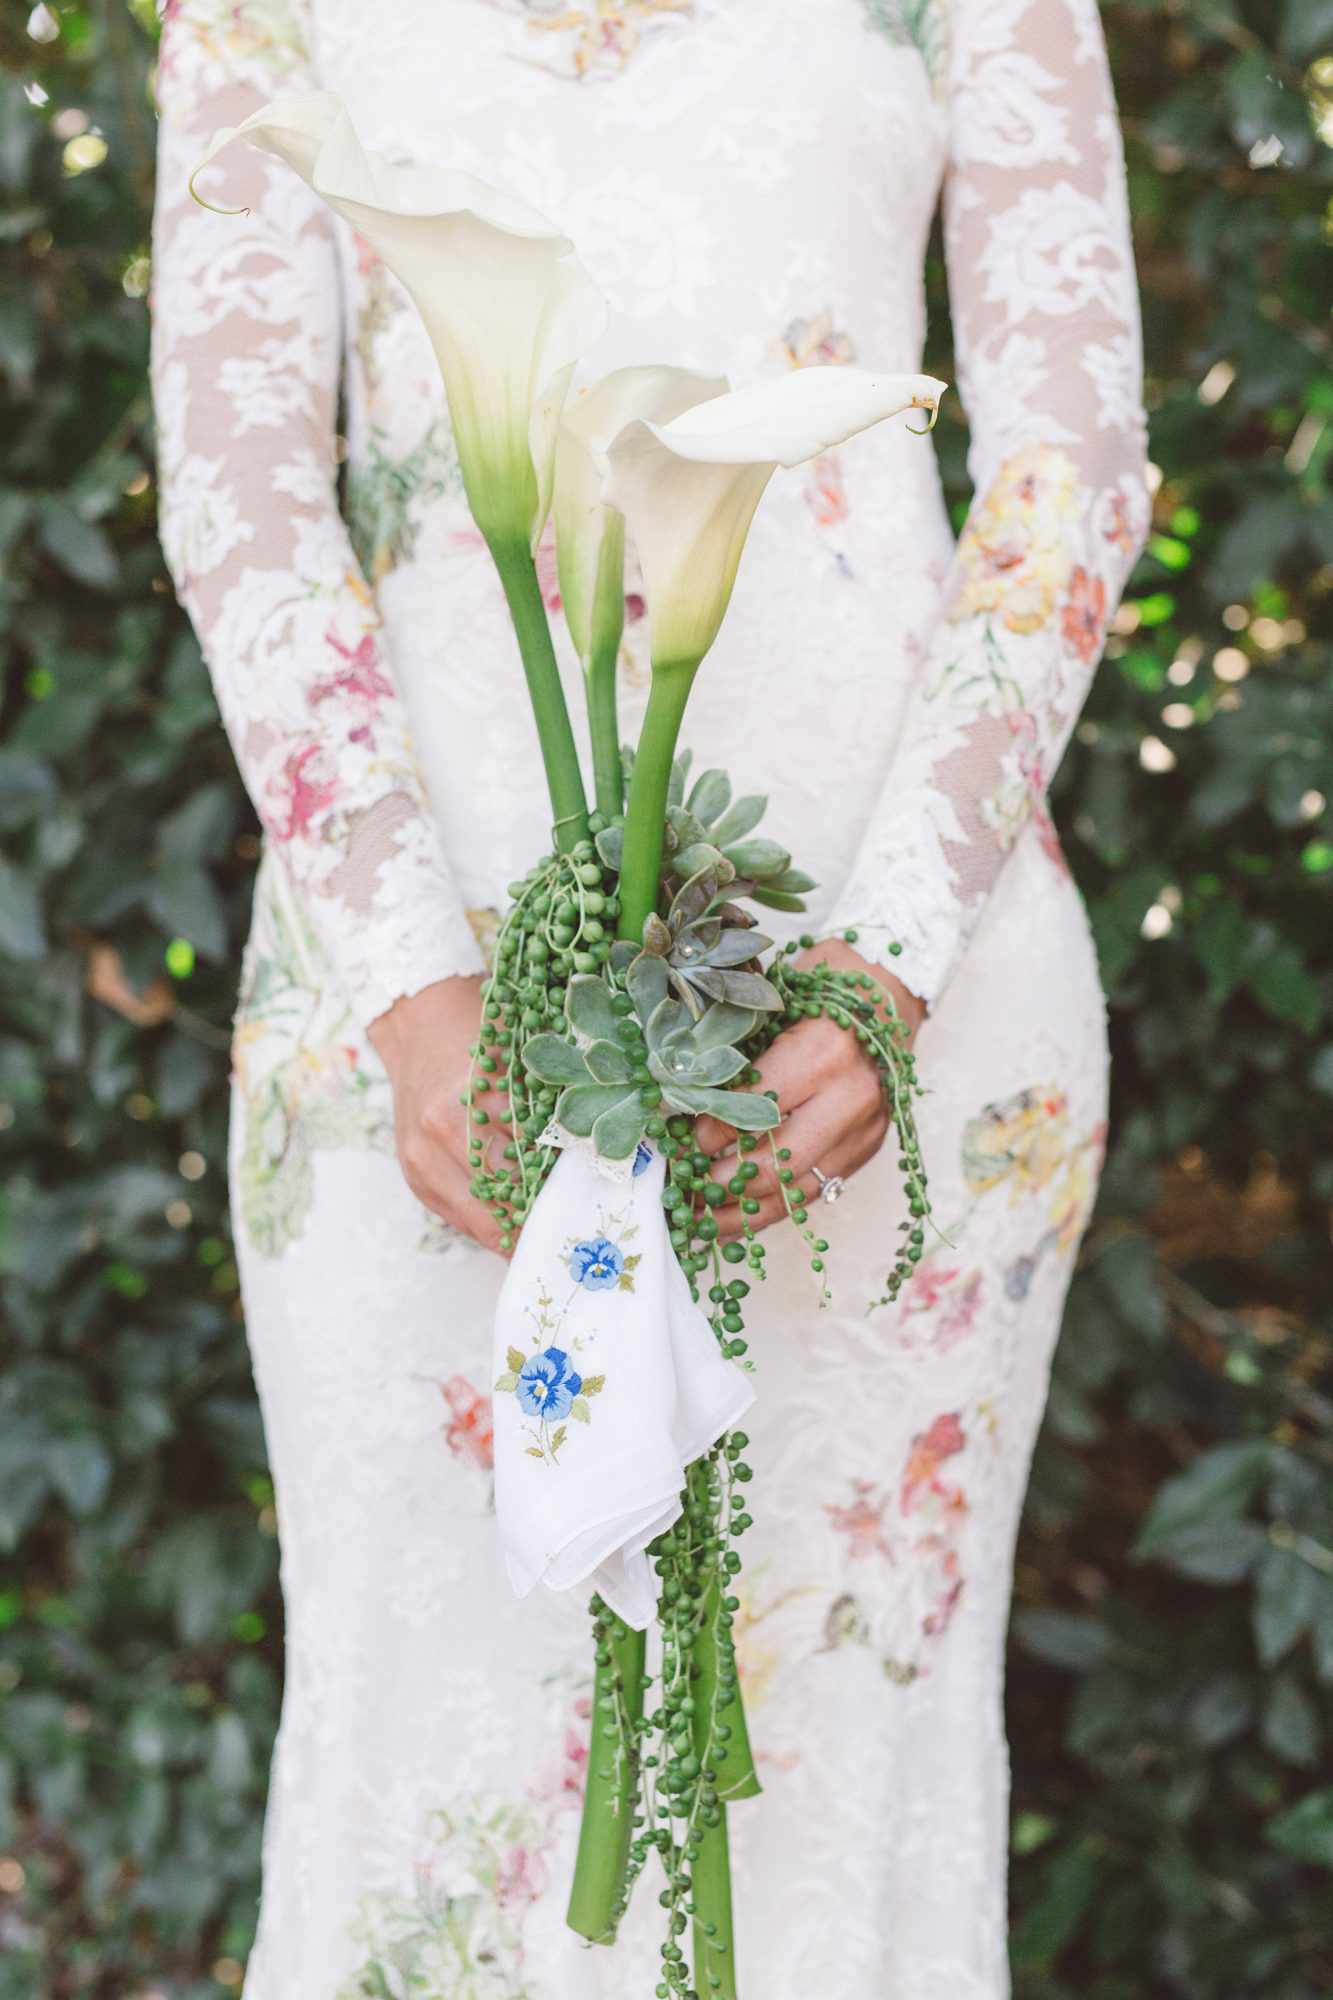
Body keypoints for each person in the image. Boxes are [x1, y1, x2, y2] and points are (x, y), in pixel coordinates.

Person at [151, 1, 1148, 1992]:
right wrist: (414, 986)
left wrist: (886, 960)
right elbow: (239, 479)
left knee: (833, 1759)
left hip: (898, 993)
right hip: (418, 1014)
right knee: (430, 1756)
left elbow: (1069, 459)